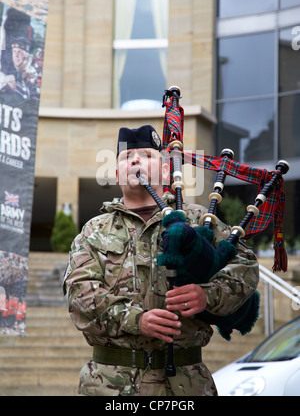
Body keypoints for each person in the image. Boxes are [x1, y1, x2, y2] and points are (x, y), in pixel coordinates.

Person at [63, 124, 259, 396]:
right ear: (118, 173)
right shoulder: (94, 231)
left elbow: (245, 264)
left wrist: (208, 295)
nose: (135, 160)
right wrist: (136, 319)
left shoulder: (197, 220)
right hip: (109, 386)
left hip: (186, 385)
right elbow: (79, 294)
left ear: (166, 170)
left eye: (146, 155)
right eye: (126, 157)